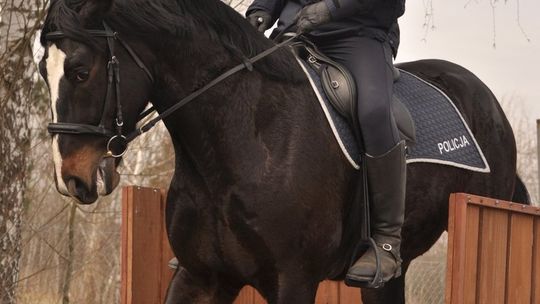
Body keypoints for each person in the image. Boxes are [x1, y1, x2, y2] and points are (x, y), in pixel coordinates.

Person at [246, 0, 406, 288]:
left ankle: (386, 242)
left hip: (358, 34)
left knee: (373, 111)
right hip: (295, 31)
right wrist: (263, 9)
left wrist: (331, 8)